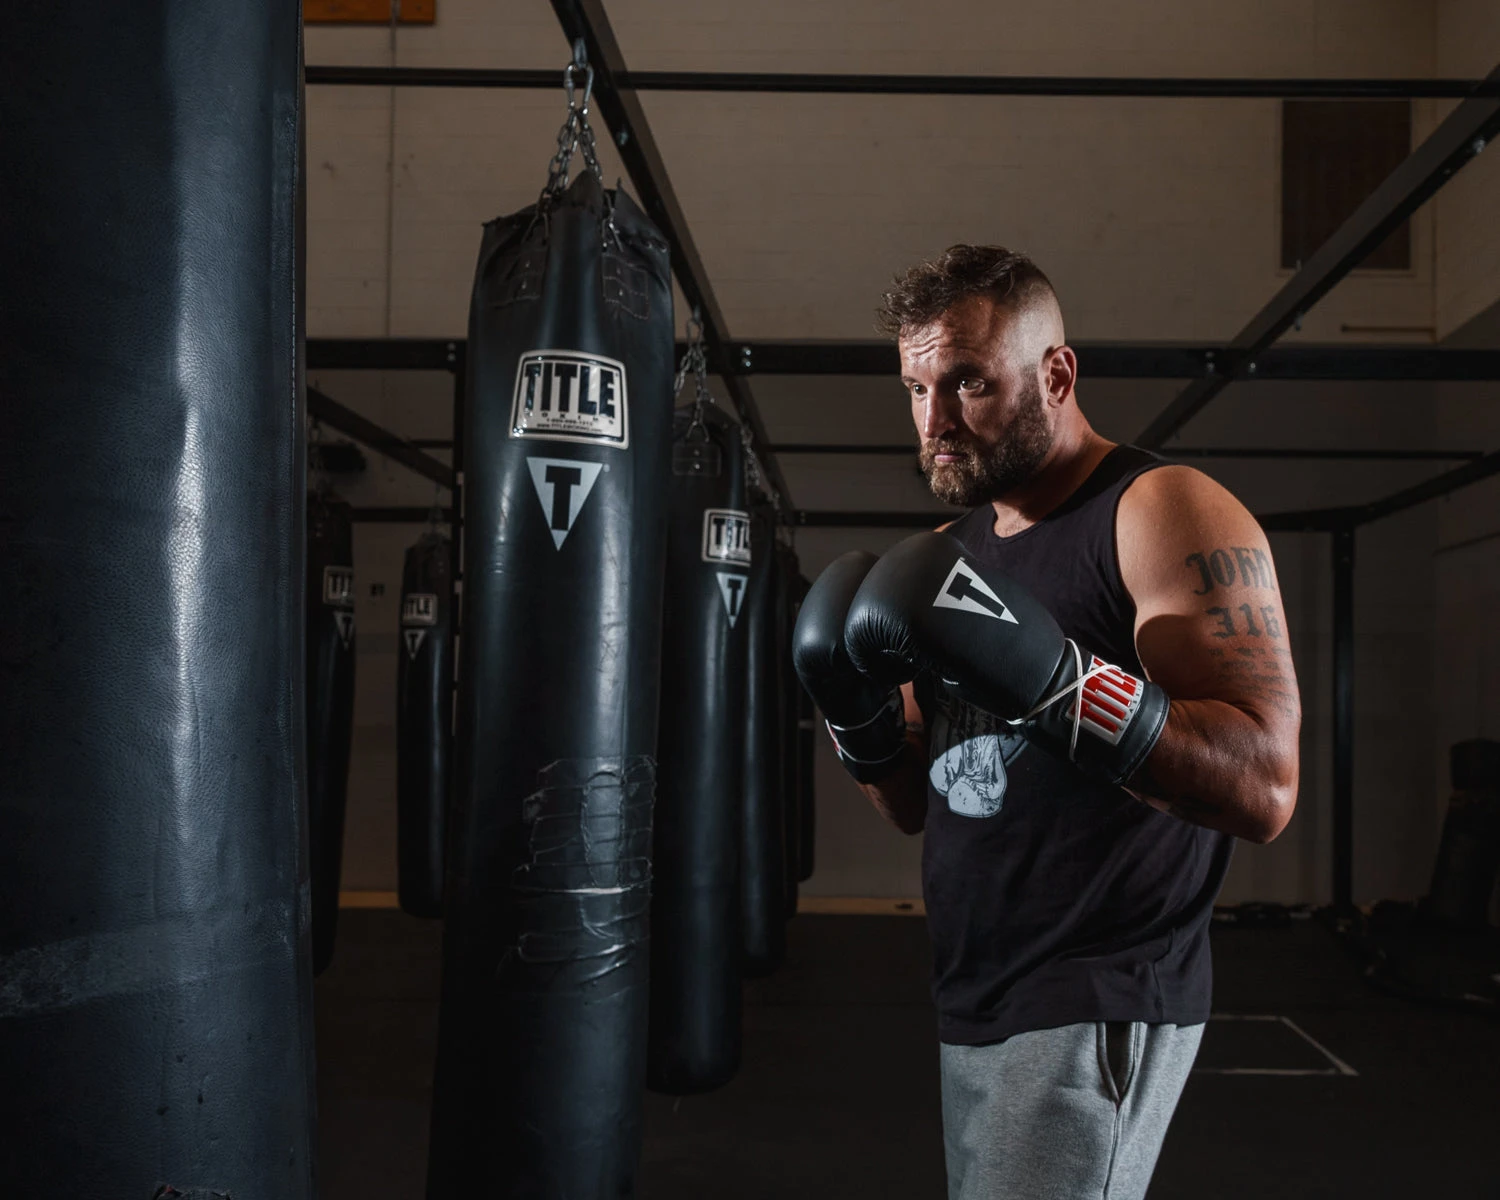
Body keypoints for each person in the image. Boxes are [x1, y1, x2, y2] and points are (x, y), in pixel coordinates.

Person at [792, 245, 1301, 1200]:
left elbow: (1266, 784)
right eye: (916, 389)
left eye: (969, 382)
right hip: (976, 987)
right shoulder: (949, 554)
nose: (935, 422)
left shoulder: (1158, 510)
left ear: (1057, 375)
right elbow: (913, 804)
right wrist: (852, 712)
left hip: (1096, 988)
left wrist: (1057, 682)